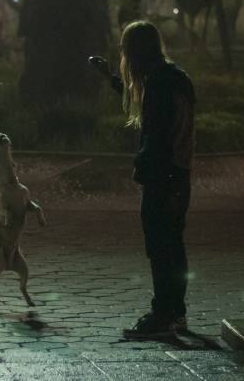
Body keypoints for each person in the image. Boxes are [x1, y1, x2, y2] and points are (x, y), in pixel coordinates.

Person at [89, 20, 196, 339]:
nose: (123, 56)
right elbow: (149, 106)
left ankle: (163, 314)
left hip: (164, 178)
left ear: (135, 51)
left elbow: (158, 133)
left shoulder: (160, 83)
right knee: (172, 246)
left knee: (160, 246)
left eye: (124, 50)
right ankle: (175, 312)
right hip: (179, 176)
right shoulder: (172, 77)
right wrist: (111, 78)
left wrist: (143, 166)